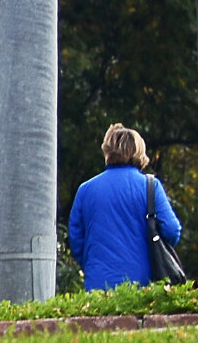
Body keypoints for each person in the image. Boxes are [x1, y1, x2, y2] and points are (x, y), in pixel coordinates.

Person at [68, 122, 182, 291]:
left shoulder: (85, 190)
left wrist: (93, 264)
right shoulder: (150, 186)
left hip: (98, 285)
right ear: (138, 152)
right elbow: (172, 231)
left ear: (107, 152)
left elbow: (76, 241)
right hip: (143, 284)